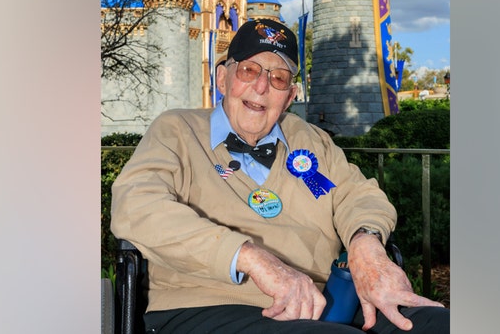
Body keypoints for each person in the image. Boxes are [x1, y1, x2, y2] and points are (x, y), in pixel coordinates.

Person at [111, 19, 449, 333]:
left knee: (441, 324)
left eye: (278, 78)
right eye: (249, 70)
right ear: (223, 79)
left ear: (289, 97)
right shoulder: (176, 130)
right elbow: (135, 206)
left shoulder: (311, 139)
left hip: (323, 305)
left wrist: (366, 241)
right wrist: (250, 258)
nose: (261, 87)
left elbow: (359, 195)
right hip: (206, 304)